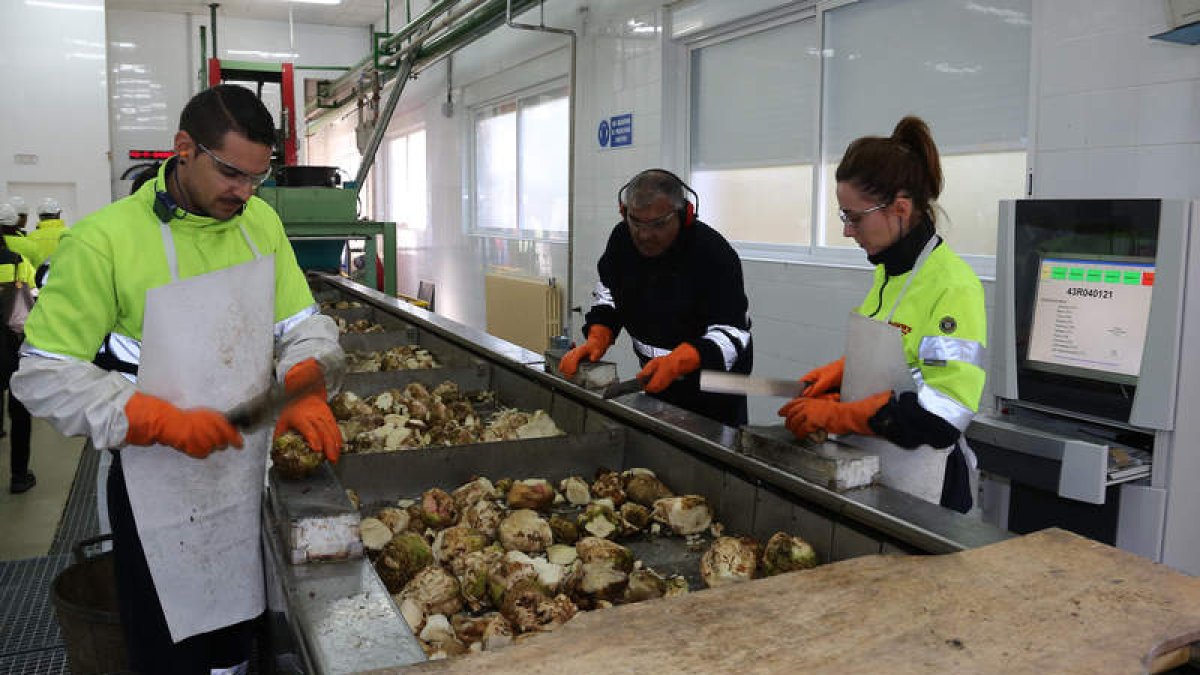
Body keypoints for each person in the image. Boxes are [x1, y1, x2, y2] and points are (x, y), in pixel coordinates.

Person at [12, 84, 345, 674]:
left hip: (249, 471)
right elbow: (45, 374)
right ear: (184, 149)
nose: (244, 192)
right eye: (231, 174)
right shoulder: (104, 240)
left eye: (256, 178)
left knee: (244, 635)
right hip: (155, 483)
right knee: (171, 647)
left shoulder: (258, 223)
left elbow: (301, 322)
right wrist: (153, 417)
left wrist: (303, 379)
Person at [776, 116, 986, 513]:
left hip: (928, 490)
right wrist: (843, 370)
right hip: (880, 472)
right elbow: (903, 356)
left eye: (854, 218)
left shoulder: (953, 285)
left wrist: (839, 415)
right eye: (844, 217)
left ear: (900, 209)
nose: (847, 231)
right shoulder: (890, 273)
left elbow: (943, 415)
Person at [559, 169, 753, 427]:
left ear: (685, 215)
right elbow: (609, 292)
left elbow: (732, 334)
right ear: (623, 212)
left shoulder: (712, 254)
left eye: (658, 224)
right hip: (656, 377)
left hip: (714, 385)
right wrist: (599, 335)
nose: (644, 235)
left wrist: (678, 362)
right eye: (636, 222)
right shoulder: (621, 241)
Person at [0, 204, 35, 493]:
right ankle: (19, 476)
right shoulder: (17, 261)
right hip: (10, 345)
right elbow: (31, 299)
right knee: (20, 410)